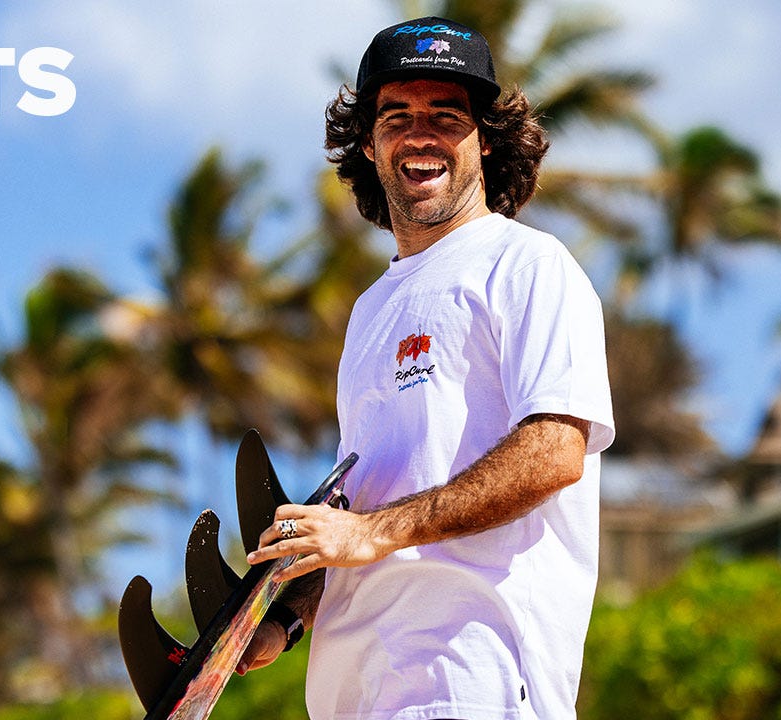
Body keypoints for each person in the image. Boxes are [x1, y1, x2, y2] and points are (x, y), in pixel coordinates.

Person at [238, 15, 615, 720]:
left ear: (485, 142)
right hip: (359, 696)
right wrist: (282, 621)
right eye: (396, 116)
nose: (420, 134)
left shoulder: (528, 266)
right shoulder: (370, 311)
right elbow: (376, 511)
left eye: (447, 115)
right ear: (370, 144)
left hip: (475, 684)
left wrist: (366, 533)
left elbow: (554, 452)